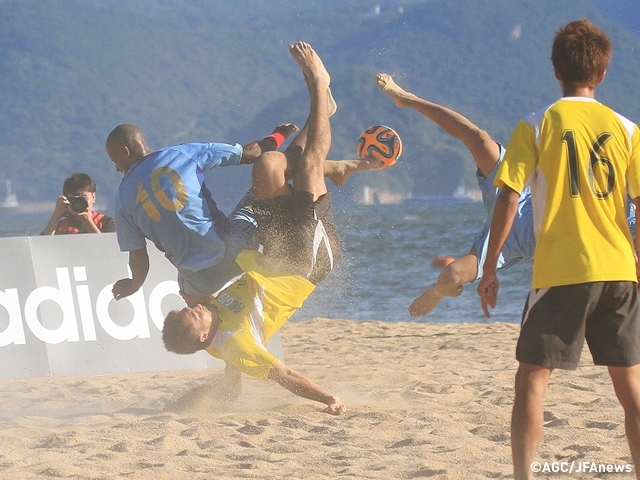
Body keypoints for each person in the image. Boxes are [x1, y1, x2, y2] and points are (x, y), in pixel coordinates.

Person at [476, 20, 640, 479]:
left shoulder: (537, 122)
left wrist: (490, 267)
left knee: (531, 379)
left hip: (562, 272)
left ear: (555, 70)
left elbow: (509, 195)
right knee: (630, 388)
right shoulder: (627, 129)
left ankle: (524, 475)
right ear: (602, 73)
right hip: (619, 270)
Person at [162, 42, 347, 415]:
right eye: (193, 314)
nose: (197, 307)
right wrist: (327, 398)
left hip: (273, 251)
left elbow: (228, 373)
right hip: (305, 264)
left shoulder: (212, 326)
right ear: (202, 334)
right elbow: (284, 373)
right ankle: (318, 86)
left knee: (268, 166)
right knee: (311, 166)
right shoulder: (235, 343)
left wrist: (210, 396)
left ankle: (321, 113)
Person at [106, 99, 376, 306]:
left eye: (114, 160)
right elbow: (252, 153)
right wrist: (278, 137)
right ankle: (319, 117)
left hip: (198, 278)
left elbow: (138, 256)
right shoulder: (182, 154)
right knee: (267, 179)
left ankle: (231, 371)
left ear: (125, 152)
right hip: (234, 248)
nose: (117, 167)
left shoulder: (121, 200)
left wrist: (134, 284)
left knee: (204, 310)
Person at [374, 73, 534, 317]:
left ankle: (437, 292)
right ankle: (407, 99)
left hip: (510, 241)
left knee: (451, 276)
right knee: (478, 138)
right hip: (518, 190)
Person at [40, 172, 116, 235]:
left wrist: (87, 222)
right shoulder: (60, 226)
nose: (79, 202)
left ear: (93, 197)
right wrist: (56, 216)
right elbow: (42, 245)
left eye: (84, 197)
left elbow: (107, 248)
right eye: (75, 199)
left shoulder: (106, 223)